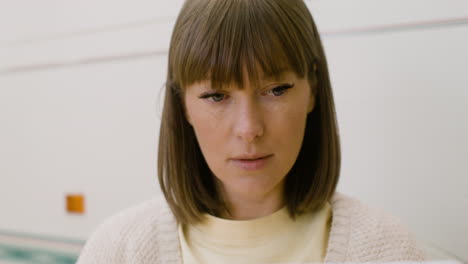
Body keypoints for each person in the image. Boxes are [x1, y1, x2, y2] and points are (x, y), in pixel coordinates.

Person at [77, 0, 427, 263]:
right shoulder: (117, 251)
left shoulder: (390, 250)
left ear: (313, 89)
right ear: (182, 105)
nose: (249, 129)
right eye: (216, 96)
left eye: (276, 90)